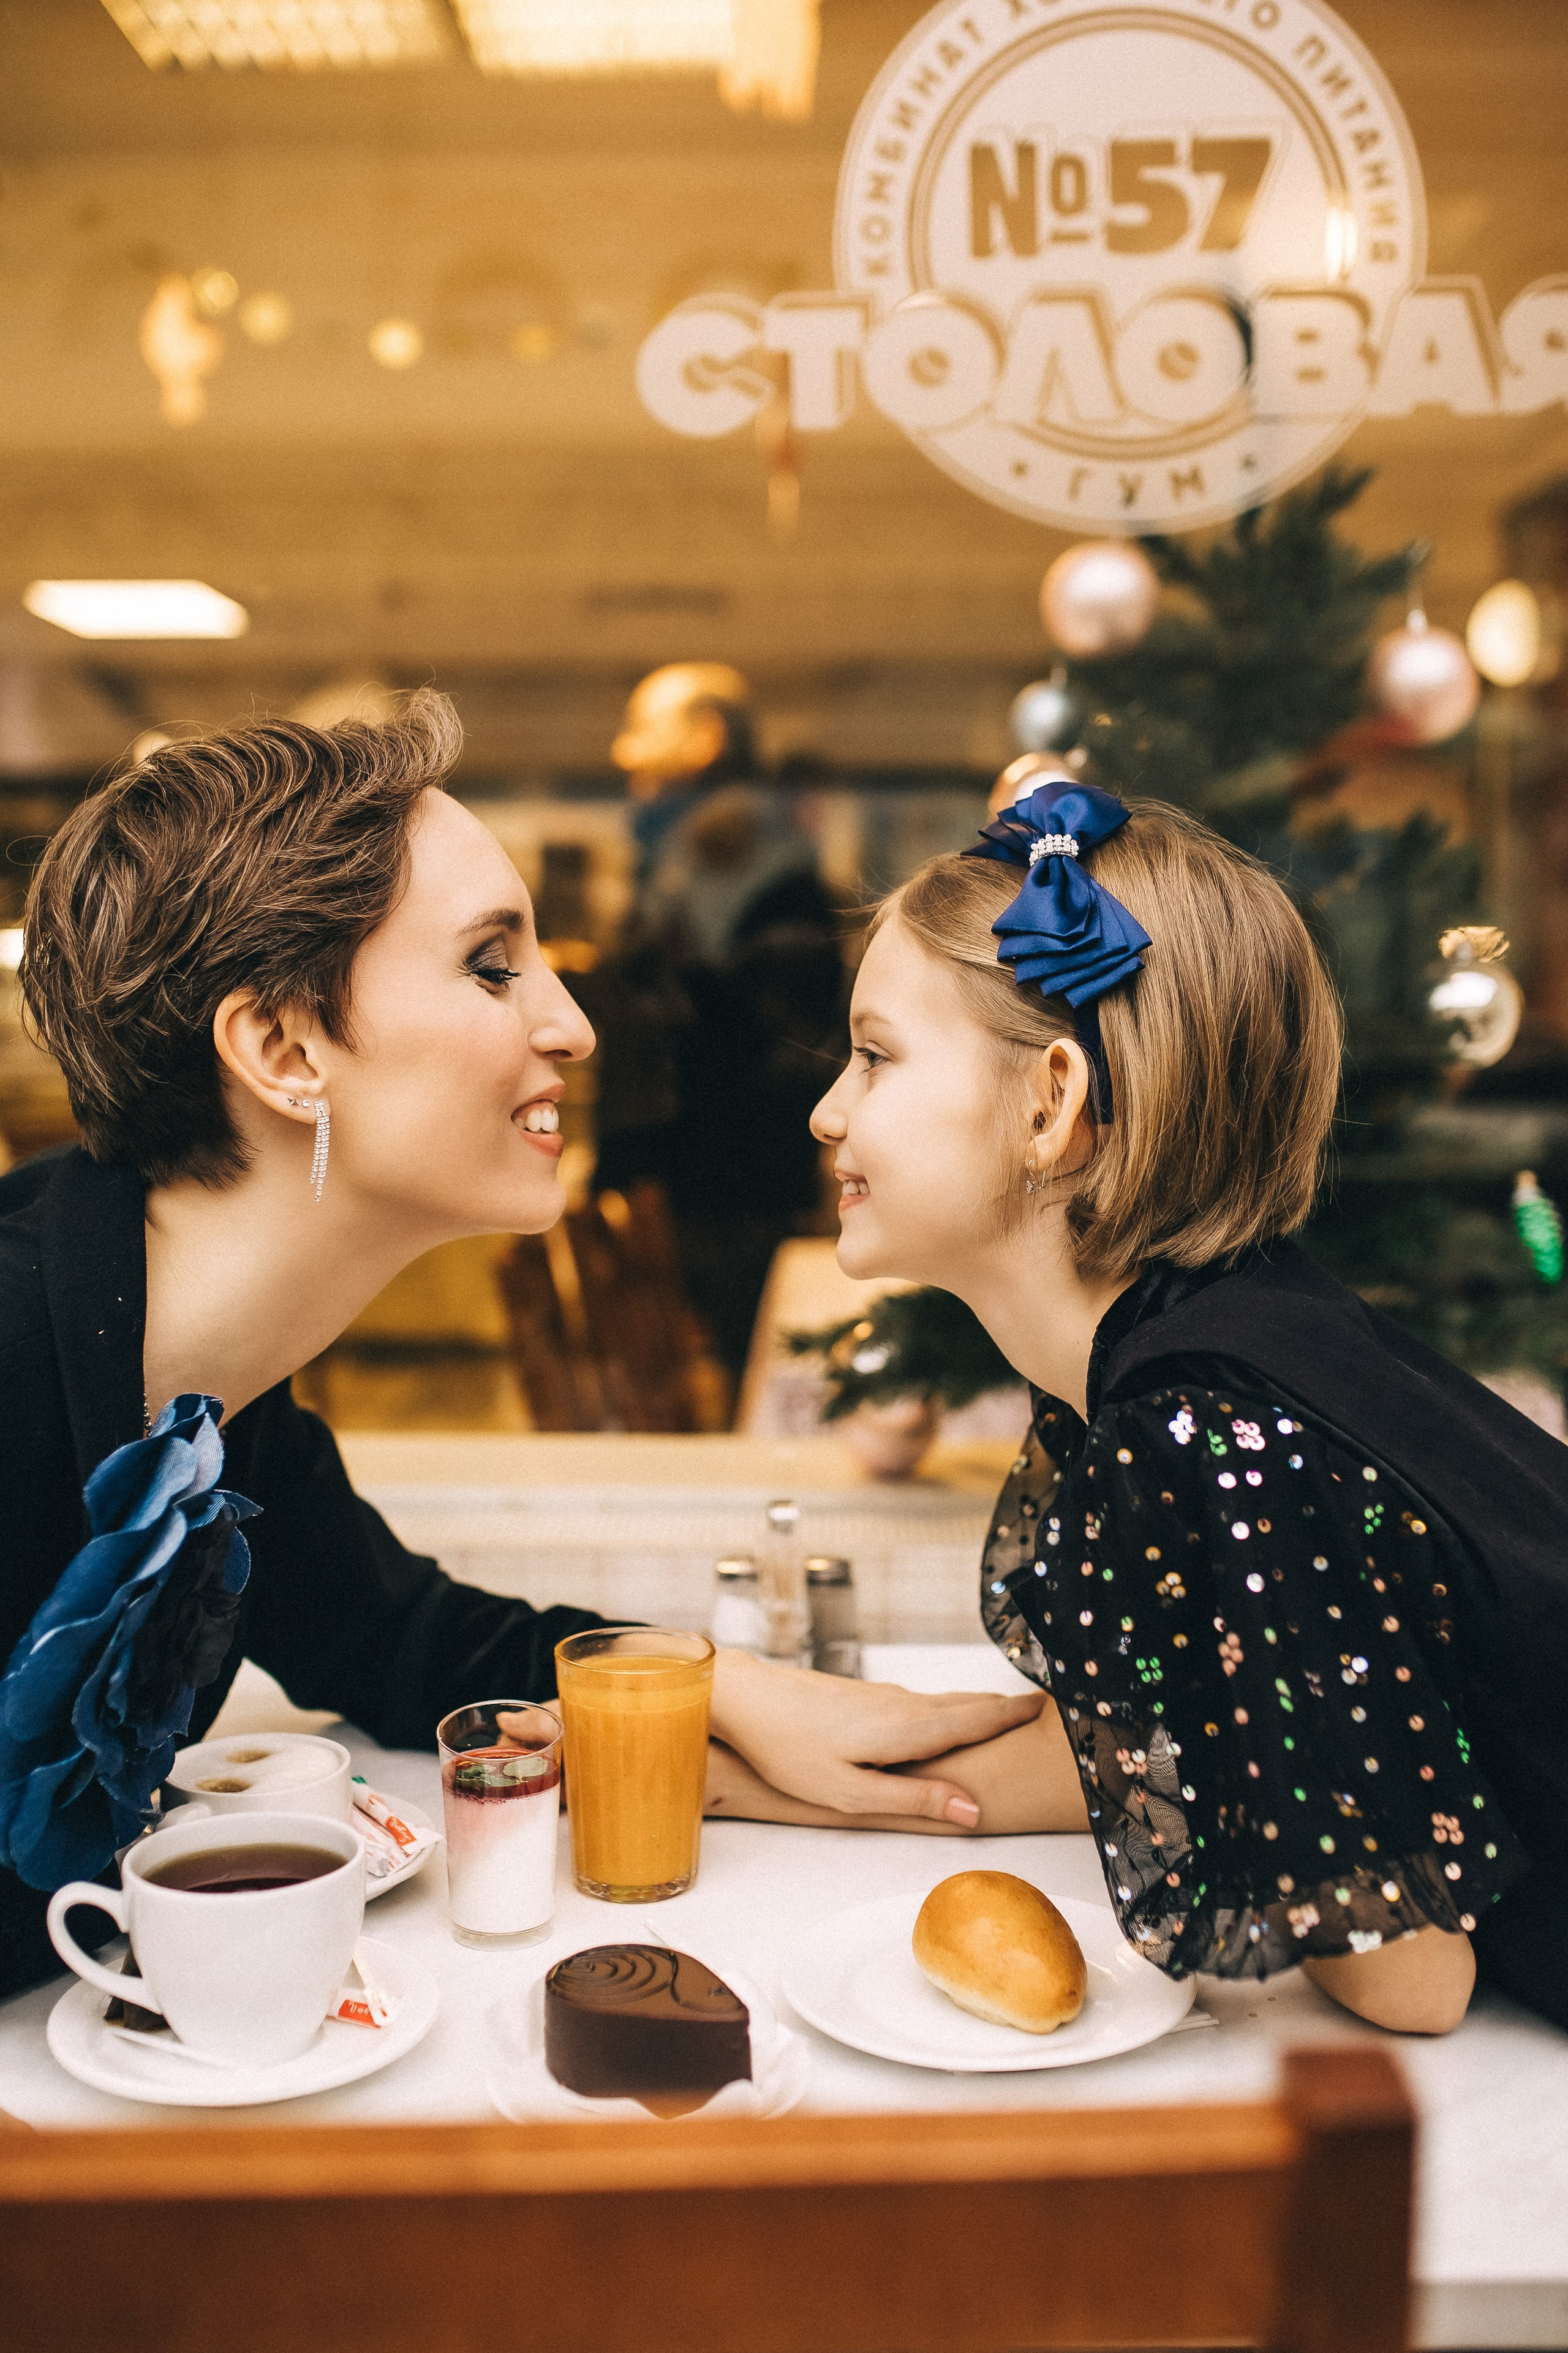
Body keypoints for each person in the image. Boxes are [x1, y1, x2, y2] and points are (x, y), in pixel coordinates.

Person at [0, 693, 1039, 1997]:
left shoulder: (220, 1401)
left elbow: (408, 1643)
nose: (574, 1025)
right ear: (281, 1047)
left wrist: (729, 1690)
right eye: (493, 967)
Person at [764, 777, 1567, 2038]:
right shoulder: (1222, 1336)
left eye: (875, 1055)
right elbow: (1179, 1739)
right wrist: (760, 1779)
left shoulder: (1202, 1423)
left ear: (1052, 1105)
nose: (829, 1109)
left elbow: (1413, 1980)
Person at [594, 662, 845, 1380]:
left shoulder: (729, 850)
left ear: (706, 739)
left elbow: (712, 1023)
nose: (627, 757)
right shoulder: (707, 849)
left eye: (646, 733)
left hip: (717, 1184)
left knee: (714, 1374)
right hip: (723, 1174)